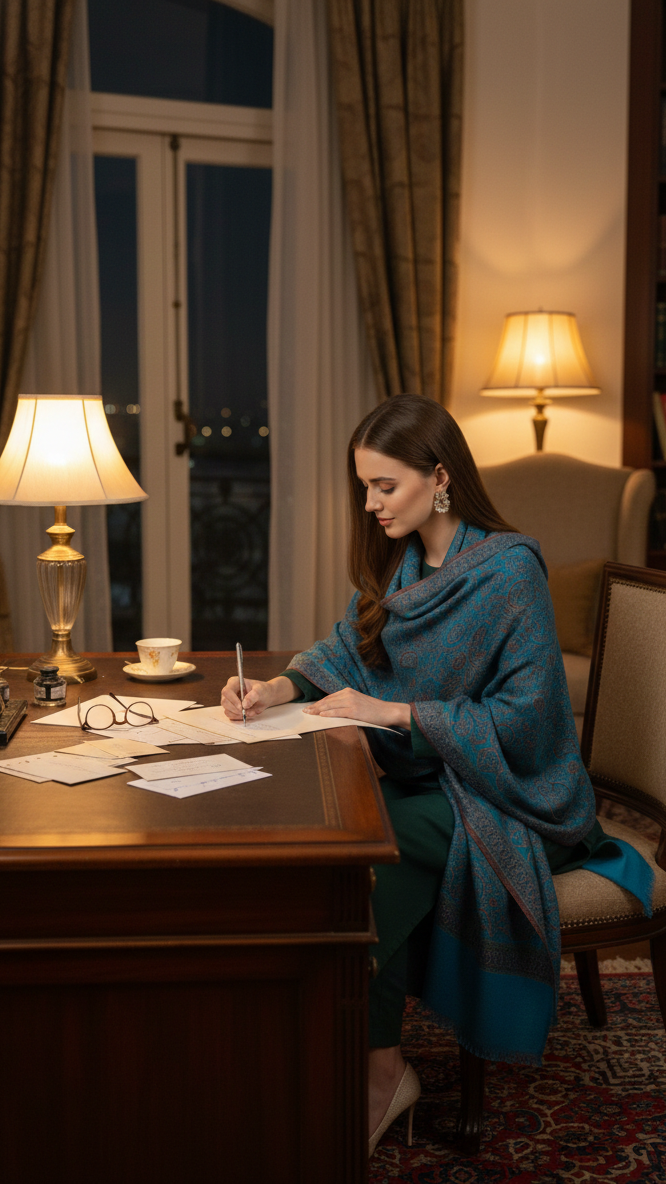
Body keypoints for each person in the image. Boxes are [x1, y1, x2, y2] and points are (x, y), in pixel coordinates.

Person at [221, 394, 653, 1157]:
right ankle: (364, 1053)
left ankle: (380, 1074)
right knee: (343, 844)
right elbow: (343, 655)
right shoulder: (404, 561)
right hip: (435, 780)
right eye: (364, 486)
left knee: (369, 864)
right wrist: (274, 690)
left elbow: (526, 720)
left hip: (512, 793)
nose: (370, 503)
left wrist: (393, 716)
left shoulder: (509, 571)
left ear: (440, 477)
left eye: (385, 485)